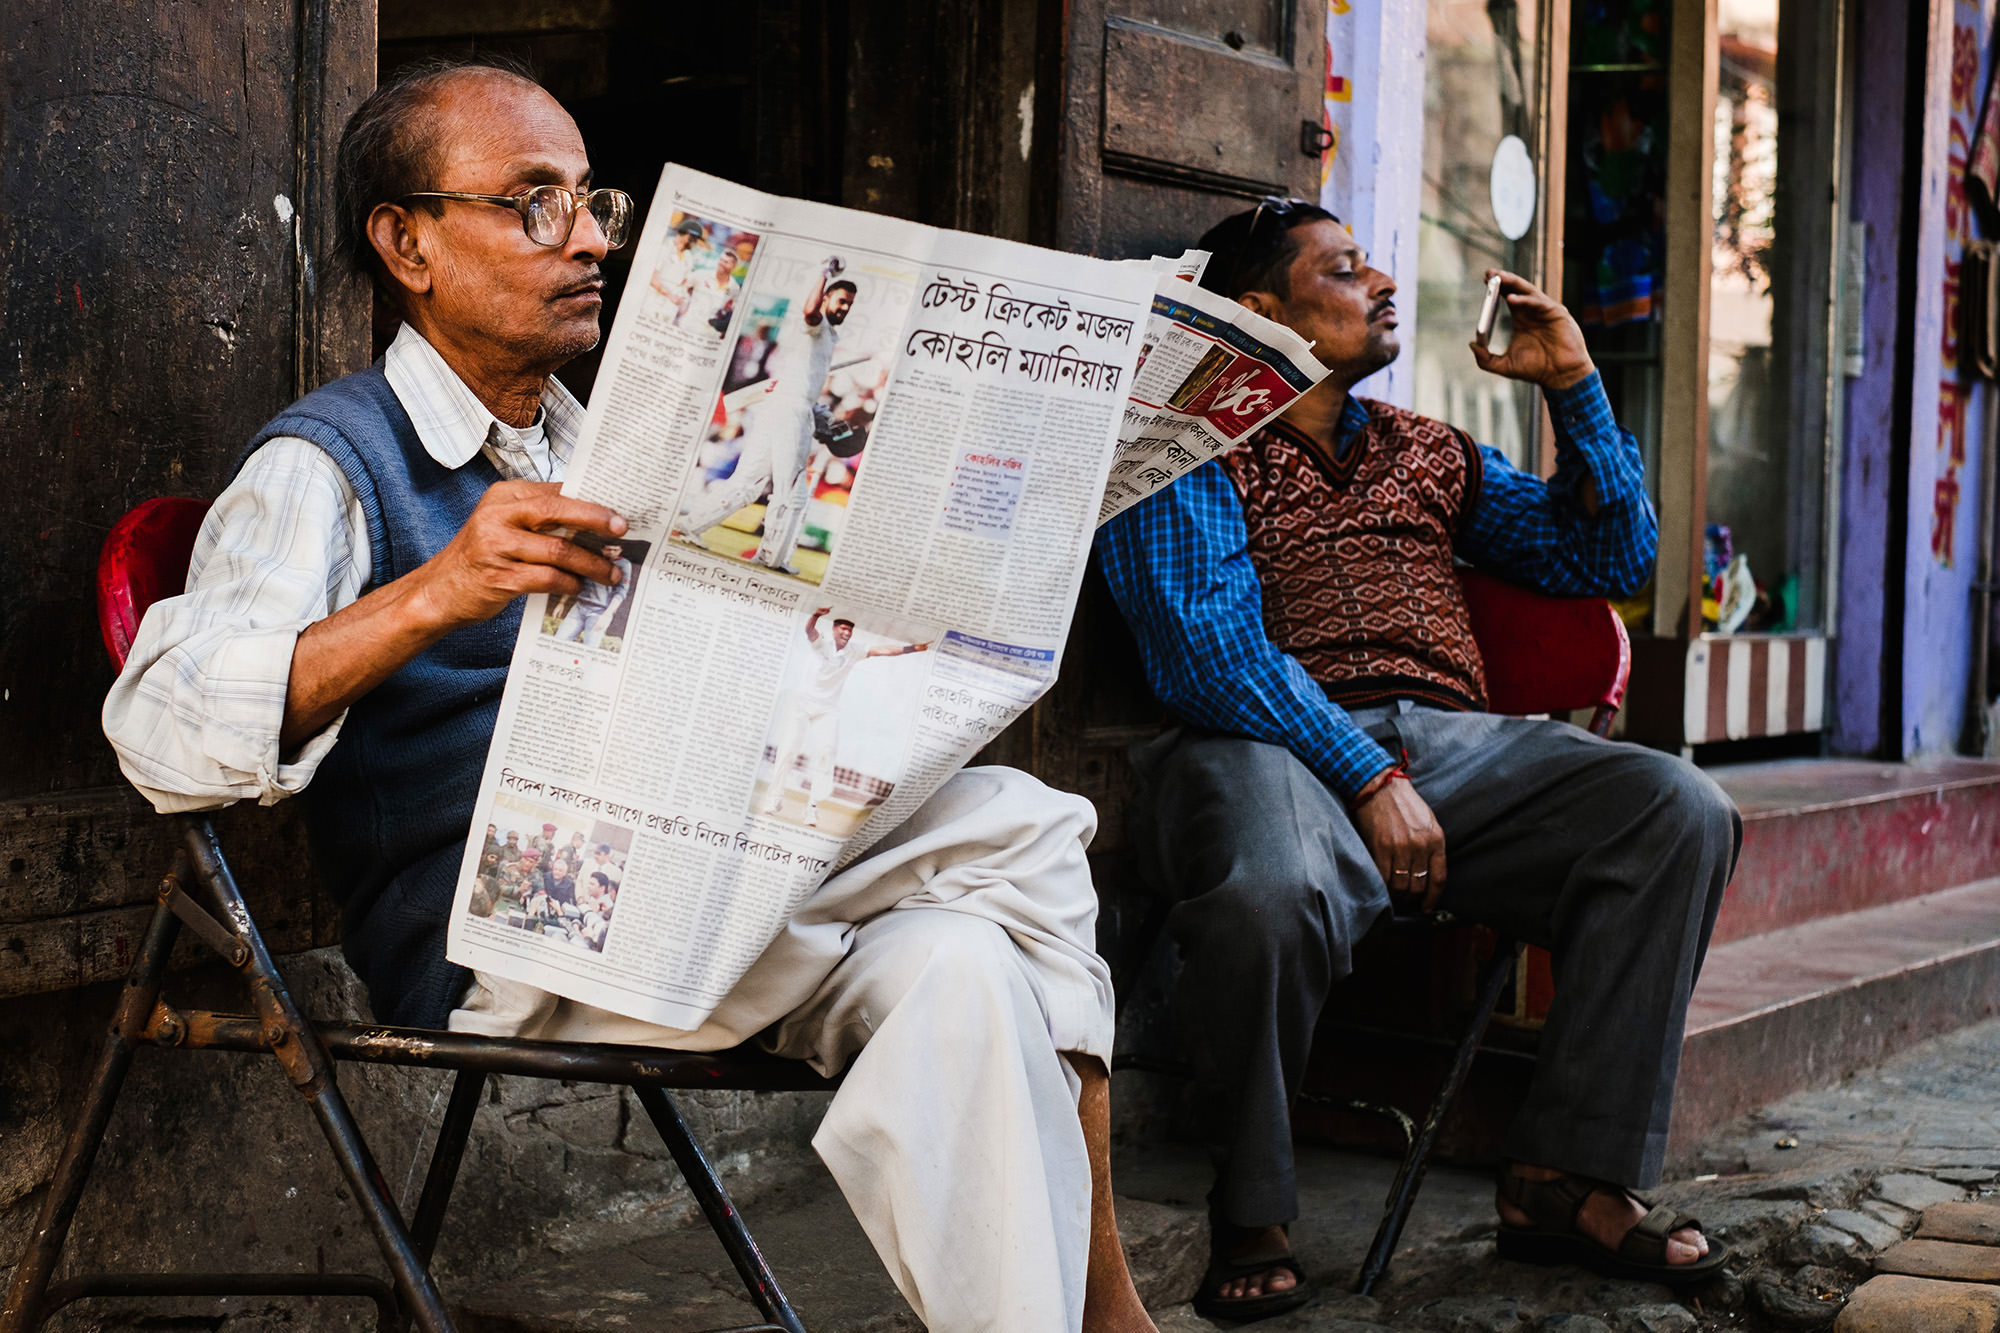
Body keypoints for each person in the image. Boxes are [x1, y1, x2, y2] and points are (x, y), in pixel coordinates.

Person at [102, 56, 1156, 1333]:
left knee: (960, 966)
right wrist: (437, 590)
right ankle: (1115, 1317)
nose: (592, 236)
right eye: (535, 202)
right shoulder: (329, 460)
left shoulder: (604, 441)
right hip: (503, 935)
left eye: (594, 199)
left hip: (698, 888)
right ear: (407, 244)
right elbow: (160, 729)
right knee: (1023, 824)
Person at [1096, 199, 1740, 1319]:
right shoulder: (1182, 444)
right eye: (1345, 270)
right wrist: (1368, 774)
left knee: (1676, 810)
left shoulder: (1424, 449)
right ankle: (1251, 1203)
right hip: (1261, 749)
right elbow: (1205, 653)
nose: (1381, 281)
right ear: (1260, 313)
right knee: (1270, 887)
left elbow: (1609, 554)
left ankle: (1561, 1179)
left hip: (1454, 758)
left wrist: (1572, 387)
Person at [675, 258, 855, 573]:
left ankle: (690, 526)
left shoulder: (828, 337)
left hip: (785, 407)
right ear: (827, 297)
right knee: (791, 489)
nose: (844, 308)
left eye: (849, 305)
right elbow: (810, 311)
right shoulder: (817, 324)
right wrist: (823, 273)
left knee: (748, 482)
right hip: (791, 411)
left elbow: (806, 384)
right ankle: (772, 557)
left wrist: (822, 418)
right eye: (841, 301)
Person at [758, 607, 929, 828]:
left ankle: (811, 808)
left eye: (850, 630)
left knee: (825, 755)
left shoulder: (855, 651)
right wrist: (816, 615)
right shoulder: (821, 644)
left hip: (827, 709)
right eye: (843, 629)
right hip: (802, 703)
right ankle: (774, 799)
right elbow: (809, 630)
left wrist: (912, 648)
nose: (847, 634)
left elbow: (883, 651)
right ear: (834, 629)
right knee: (788, 750)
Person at [553, 539, 632, 646]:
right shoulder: (593, 559)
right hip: (579, 607)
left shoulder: (624, 564)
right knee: (559, 640)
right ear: (602, 549)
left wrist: (607, 615)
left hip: (599, 611)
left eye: (615, 550)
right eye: (608, 549)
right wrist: (562, 602)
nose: (612, 553)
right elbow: (576, 581)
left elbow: (622, 591)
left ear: (621, 550)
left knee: (590, 647)